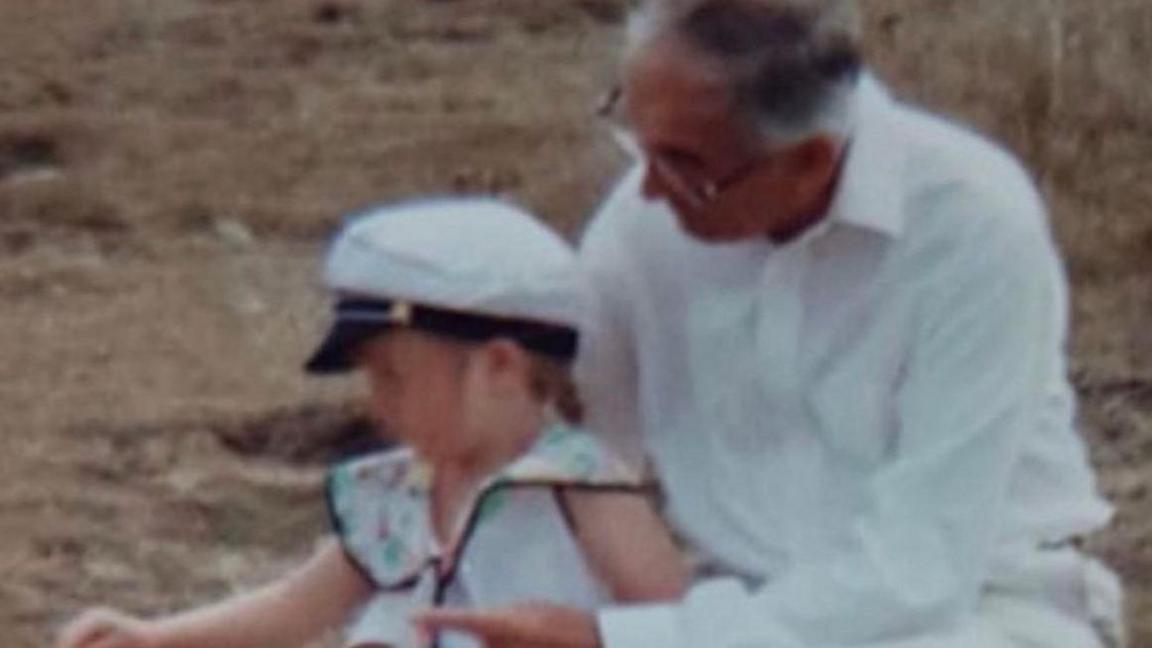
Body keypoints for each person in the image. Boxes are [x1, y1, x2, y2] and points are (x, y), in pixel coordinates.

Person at [415, 1, 1126, 647]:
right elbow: (570, 452)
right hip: (730, 606)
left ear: (810, 158)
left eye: (684, 164)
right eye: (636, 137)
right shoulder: (640, 225)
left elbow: (923, 564)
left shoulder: (969, 224)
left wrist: (630, 639)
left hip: (979, 611)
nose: (651, 188)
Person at [56, 198, 688, 648]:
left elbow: (675, 622)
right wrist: (158, 636)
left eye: (395, 378)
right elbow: (299, 605)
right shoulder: (396, 497)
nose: (377, 403)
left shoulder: (578, 486)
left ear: (499, 367)